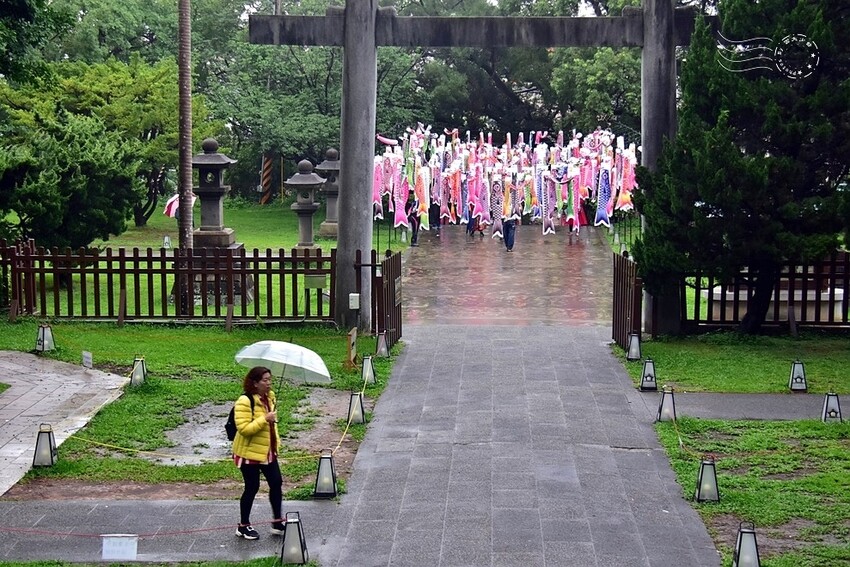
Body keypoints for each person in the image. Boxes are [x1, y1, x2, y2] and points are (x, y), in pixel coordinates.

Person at [232, 366, 283, 540]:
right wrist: (265, 419)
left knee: (276, 482)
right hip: (249, 452)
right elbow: (244, 429)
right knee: (252, 487)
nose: (269, 383)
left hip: (267, 450)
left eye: (270, 379)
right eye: (265, 380)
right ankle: (243, 526)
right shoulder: (245, 401)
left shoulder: (270, 397)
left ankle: (277, 522)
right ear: (255, 383)